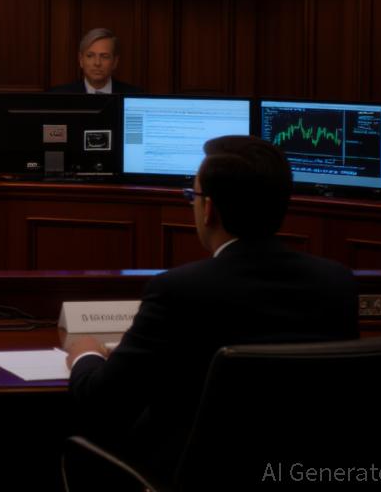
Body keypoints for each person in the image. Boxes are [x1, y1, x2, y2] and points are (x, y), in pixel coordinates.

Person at [63, 135, 357, 482]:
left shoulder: (177, 291)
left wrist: (85, 354)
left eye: (193, 195)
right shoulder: (336, 283)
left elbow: (101, 404)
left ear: (208, 209)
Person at [50, 27, 143, 94]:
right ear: (81, 60)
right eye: (90, 56)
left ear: (115, 62)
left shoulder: (134, 95)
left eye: (104, 56)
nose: (97, 63)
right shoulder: (59, 95)